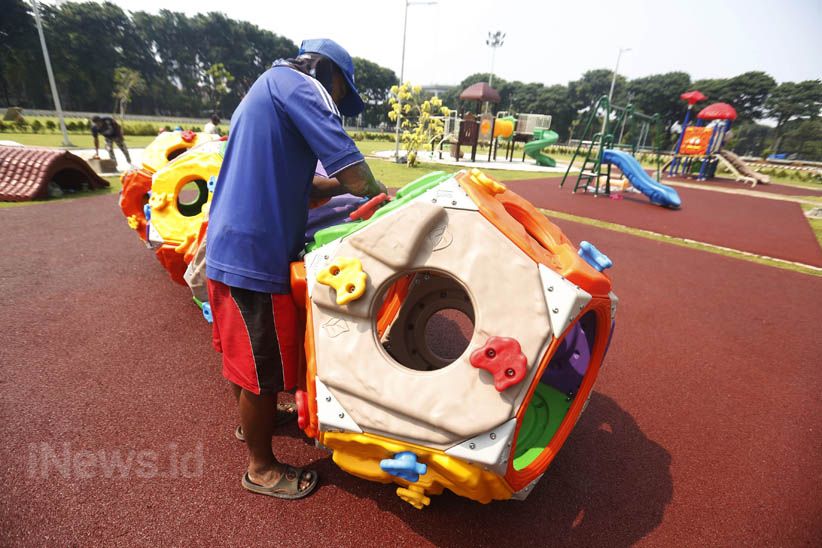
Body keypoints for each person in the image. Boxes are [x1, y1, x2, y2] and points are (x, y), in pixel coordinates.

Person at [205, 38, 386, 500]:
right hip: (255, 253)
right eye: (343, 94)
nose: (339, 104)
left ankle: (253, 429)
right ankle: (261, 468)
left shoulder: (268, 86)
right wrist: (382, 194)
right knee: (263, 368)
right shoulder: (303, 88)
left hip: (229, 244)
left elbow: (300, 183)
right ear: (331, 74)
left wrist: (326, 190)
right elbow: (355, 173)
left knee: (242, 356)